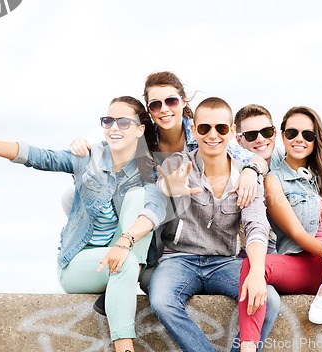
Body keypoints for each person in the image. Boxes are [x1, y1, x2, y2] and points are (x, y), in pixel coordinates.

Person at [0, 96, 167, 352]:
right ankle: (125, 348)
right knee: (126, 262)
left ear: (141, 129)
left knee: (139, 200)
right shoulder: (89, 157)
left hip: (119, 254)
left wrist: (124, 242)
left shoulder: (149, 168)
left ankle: (128, 271)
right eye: (108, 121)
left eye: (123, 122)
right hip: (80, 263)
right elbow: (42, 157)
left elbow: (154, 208)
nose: (114, 127)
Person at [69, 72, 269, 312]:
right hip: (154, 208)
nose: (164, 109)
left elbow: (251, 158)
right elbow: (112, 146)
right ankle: (126, 274)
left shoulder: (203, 132)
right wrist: (82, 145)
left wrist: (251, 170)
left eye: (171, 101)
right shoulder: (145, 138)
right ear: (149, 110)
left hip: (191, 215)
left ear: (183, 101)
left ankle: (134, 273)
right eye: (155, 104)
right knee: (140, 197)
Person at [236, 106, 322, 351]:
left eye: (307, 135)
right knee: (253, 265)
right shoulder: (273, 179)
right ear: (282, 135)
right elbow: (297, 234)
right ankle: (248, 347)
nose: (299, 139)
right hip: (305, 265)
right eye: (292, 133)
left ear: (316, 139)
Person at [149, 97, 280, 352]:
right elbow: (164, 182)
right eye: (204, 128)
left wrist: (256, 273)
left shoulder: (247, 175)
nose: (212, 135)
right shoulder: (178, 162)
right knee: (162, 300)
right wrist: (169, 187)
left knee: (270, 300)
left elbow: (256, 227)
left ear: (231, 132)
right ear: (194, 130)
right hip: (179, 259)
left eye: (221, 128)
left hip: (224, 262)